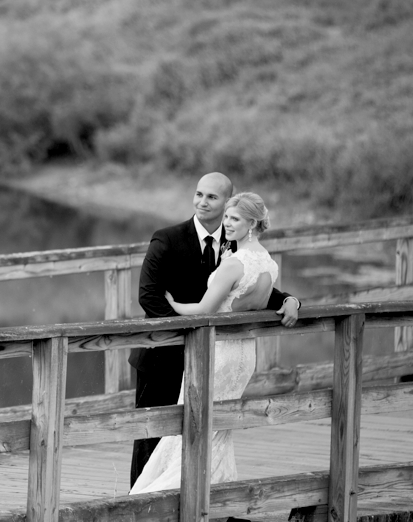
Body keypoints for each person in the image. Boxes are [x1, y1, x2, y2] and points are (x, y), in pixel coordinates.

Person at [128, 174, 299, 488]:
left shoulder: (235, 242)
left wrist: (290, 299)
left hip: (213, 356)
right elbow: (149, 296)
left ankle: (210, 498)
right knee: (154, 435)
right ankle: (143, 513)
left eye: (211, 197)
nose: (202, 202)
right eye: (198, 195)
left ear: (226, 202)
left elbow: (250, 286)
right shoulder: (166, 238)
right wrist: (185, 336)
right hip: (164, 354)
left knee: (213, 428)